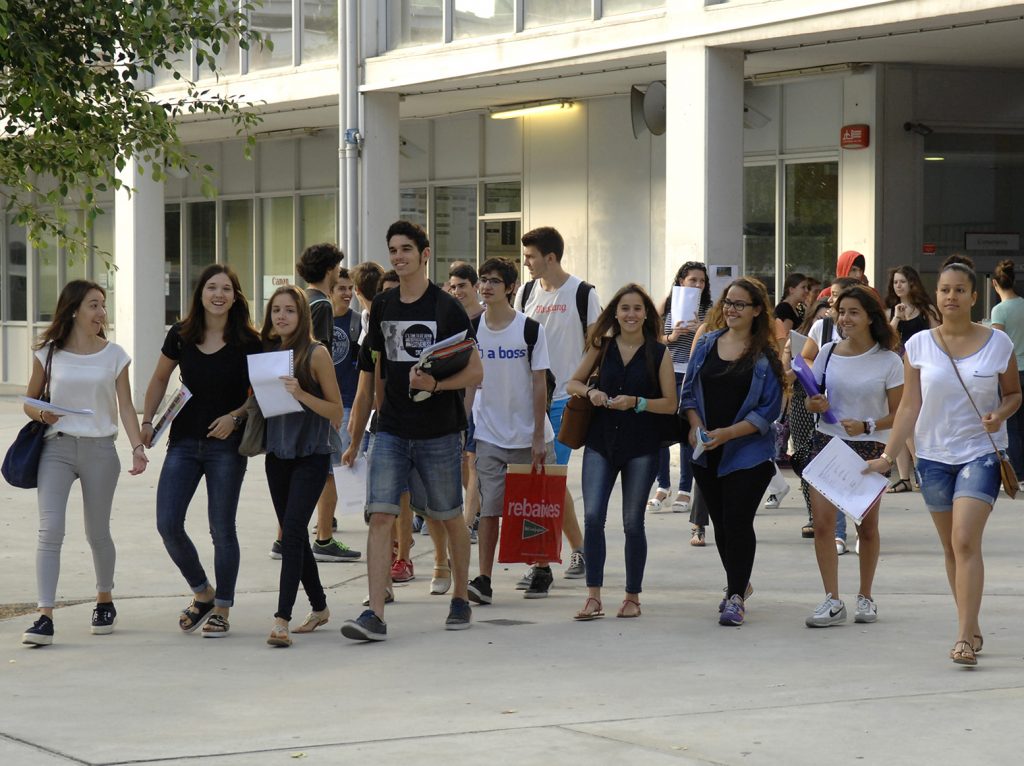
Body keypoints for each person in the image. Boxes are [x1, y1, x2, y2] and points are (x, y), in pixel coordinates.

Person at [865, 259, 1020, 665]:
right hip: (933, 456)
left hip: (980, 452)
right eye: (944, 290)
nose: (950, 296)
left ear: (973, 296)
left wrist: (1000, 414)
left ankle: (963, 638)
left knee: (965, 540)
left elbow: (1014, 394)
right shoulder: (916, 346)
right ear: (937, 296)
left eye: (958, 290)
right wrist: (887, 455)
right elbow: (908, 407)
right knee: (951, 547)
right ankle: (971, 623)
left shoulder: (998, 343)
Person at [341, 220, 483, 641]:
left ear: (424, 254)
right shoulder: (382, 306)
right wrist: (355, 436)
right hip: (390, 430)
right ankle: (376, 614)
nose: (398, 256)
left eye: (406, 249)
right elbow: (370, 374)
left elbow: (475, 371)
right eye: (393, 250)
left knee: (448, 515)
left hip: (439, 430)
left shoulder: (446, 307)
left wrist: (436, 384)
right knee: (381, 515)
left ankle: (460, 596)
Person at [20, 281, 148, 647]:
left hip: (100, 450)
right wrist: (42, 414)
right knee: (50, 530)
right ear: (74, 309)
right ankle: (44, 615)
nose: (101, 313)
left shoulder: (115, 355)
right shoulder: (48, 352)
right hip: (56, 447)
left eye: (103, 306)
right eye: (94, 305)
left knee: (97, 531)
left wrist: (137, 446)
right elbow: (29, 400)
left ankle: (104, 599)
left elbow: (125, 406)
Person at [142, 265, 261, 637]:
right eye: (212, 287)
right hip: (183, 441)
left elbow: (261, 394)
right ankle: (203, 592)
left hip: (226, 447)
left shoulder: (249, 341)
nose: (218, 294)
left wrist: (236, 417)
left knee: (222, 529)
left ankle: (222, 606)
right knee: (168, 523)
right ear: (200, 293)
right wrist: (148, 421)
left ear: (236, 296)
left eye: (226, 288)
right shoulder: (181, 335)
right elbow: (161, 377)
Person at [566, 284, 678, 620]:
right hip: (601, 441)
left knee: (632, 522)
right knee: (592, 517)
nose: (631, 314)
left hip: (641, 446)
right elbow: (572, 383)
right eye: (625, 308)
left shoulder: (658, 353)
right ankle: (593, 596)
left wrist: (637, 402)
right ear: (615, 312)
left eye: (637, 309)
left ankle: (632, 596)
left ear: (647, 314)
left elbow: (670, 404)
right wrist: (591, 392)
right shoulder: (602, 347)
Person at [680, 277, 784, 627]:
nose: (731, 309)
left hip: (747, 453)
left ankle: (735, 595)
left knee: (738, 522)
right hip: (706, 450)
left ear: (757, 311)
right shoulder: (707, 343)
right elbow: (689, 393)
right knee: (721, 523)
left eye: (740, 304)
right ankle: (740, 580)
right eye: (728, 301)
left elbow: (767, 412)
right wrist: (697, 428)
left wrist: (727, 434)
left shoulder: (765, 356)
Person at [803, 286, 903, 628]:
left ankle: (866, 595)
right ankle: (832, 599)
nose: (844, 318)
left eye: (853, 312)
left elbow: (900, 412)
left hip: (871, 447)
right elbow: (810, 400)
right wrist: (814, 403)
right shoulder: (828, 352)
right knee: (823, 525)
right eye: (840, 311)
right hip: (828, 444)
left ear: (870, 317)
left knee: (868, 527)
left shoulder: (889, 360)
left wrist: (868, 424)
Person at [513, 226, 600, 593]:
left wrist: (582, 387)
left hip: (565, 403)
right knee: (543, 480)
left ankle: (541, 561)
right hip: (530, 401)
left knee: (545, 480)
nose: (527, 263)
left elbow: (596, 345)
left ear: (550, 257)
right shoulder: (526, 292)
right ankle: (580, 548)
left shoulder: (583, 293)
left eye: (531, 256)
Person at [466, 257, 556, 606]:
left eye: (493, 281)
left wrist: (536, 436)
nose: (485, 286)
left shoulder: (530, 330)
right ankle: (484, 578)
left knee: (534, 507)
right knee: (490, 508)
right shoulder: (473, 329)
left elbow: (538, 384)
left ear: (511, 288)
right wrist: (464, 424)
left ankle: (542, 567)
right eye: (482, 280)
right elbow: (470, 381)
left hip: (529, 434)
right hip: (489, 433)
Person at [261, 286, 344, 647]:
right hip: (276, 456)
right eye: (276, 310)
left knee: (292, 532)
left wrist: (301, 393)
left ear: (303, 316)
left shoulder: (316, 353)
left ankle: (282, 618)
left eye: (290, 311)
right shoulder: (267, 353)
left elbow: (336, 412)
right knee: (295, 536)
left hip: (311, 454)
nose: (281, 316)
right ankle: (321, 607)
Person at [287, 243, 359, 563]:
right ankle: (325, 537)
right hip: (313, 400)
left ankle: (284, 538)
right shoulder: (322, 305)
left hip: (292, 395)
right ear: (330, 269)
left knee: (296, 470)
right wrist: (329, 405)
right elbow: (322, 358)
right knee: (326, 470)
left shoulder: (297, 299)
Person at [648, 263, 712, 545]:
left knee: (688, 432)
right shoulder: (668, 305)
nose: (696, 285)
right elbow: (652, 338)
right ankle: (663, 485)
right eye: (692, 280)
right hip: (666, 371)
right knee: (661, 432)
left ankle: (685, 488)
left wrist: (701, 330)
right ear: (681, 281)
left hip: (692, 373)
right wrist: (671, 337)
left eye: (701, 281)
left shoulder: (710, 310)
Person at [884, 265, 940, 492]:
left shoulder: (926, 310)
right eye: (896, 282)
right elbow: (885, 340)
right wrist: (896, 317)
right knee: (901, 422)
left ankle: (919, 470)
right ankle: (907, 476)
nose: (898, 286)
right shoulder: (890, 311)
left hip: (922, 368)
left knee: (913, 423)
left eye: (902, 282)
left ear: (912, 284)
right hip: (897, 369)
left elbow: (939, 337)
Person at [989, 259, 1024, 478]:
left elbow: (996, 343)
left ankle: (1017, 473)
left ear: (994, 284)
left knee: (1011, 424)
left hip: (1011, 371)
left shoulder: (999, 310)